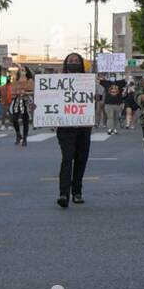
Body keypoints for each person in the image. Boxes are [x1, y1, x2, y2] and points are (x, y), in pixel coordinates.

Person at [55, 53, 91, 207]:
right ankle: (64, 194)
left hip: (83, 126)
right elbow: (49, 100)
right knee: (67, 158)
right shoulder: (57, 81)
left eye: (76, 61)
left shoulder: (88, 81)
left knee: (81, 160)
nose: (73, 63)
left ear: (81, 64)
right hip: (65, 127)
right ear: (66, 63)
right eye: (70, 61)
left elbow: (97, 98)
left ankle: (77, 192)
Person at [9, 67, 34, 145]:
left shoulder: (30, 81)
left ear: (26, 72)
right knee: (14, 118)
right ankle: (18, 134)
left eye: (23, 70)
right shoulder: (15, 81)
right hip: (16, 101)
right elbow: (12, 92)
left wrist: (25, 93)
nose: (22, 71)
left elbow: (33, 91)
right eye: (20, 70)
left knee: (25, 120)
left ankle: (25, 139)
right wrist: (16, 93)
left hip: (25, 101)